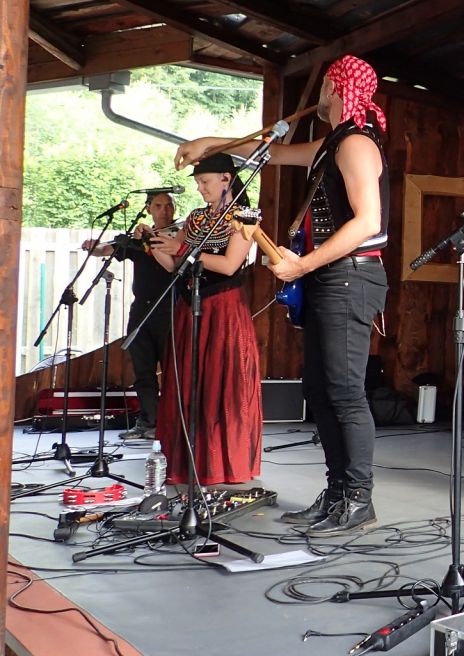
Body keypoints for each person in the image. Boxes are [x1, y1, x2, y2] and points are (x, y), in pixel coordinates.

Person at [173, 54, 389, 536]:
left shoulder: (356, 143)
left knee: (344, 392)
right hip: (329, 278)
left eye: (326, 84)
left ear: (336, 88)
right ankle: (338, 494)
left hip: (350, 277)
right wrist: (212, 144)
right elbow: (272, 153)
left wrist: (303, 264)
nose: (321, 94)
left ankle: (359, 500)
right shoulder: (333, 143)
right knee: (320, 390)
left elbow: (368, 222)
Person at [147, 154, 263, 486]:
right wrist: (153, 244)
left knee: (220, 383)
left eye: (205, 181)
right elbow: (175, 266)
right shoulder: (197, 217)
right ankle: (189, 460)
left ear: (227, 178)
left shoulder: (246, 216)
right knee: (190, 382)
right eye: (198, 182)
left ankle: (222, 463)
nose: (200, 188)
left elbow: (228, 265)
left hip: (223, 309)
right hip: (191, 306)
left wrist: (181, 249)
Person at [81, 192, 178, 441]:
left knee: (173, 371)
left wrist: (151, 237)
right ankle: (148, 421)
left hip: (171, 309)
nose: (165, 210)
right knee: (143, 369)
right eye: (159, 206)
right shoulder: (137, 239)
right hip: (142, 309)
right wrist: (93, 247)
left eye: (169, 205)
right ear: (148, 209)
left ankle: (173, 424)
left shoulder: (179, 236)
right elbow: (109, 249)